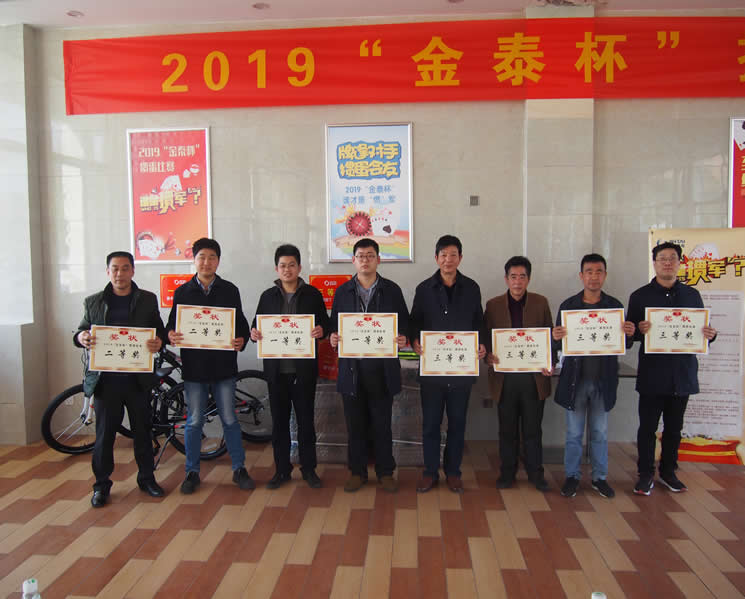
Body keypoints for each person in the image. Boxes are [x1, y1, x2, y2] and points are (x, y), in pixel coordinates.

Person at [74, 251, 167, 508]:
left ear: (133, 271)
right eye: (115, 268)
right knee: (104, 436)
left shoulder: (147, 299)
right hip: (106, 381)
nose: (120, 273)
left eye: (125, 268)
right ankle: (101, 486)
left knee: (143, 433)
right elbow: (81, 331)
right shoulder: (93, 302)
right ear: (108, 272)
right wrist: (81, 337)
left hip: (138, 380)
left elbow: (159, 331)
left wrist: (159, 341)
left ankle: (147, 479)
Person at [627, 242, 717, 496]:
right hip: (652, 373)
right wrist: (637, 331)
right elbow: (628, 336)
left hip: (682, 373)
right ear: (654, 263)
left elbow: (701, 332)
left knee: (674, 428)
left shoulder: (692, 295)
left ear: (680, 263)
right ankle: (645, 474)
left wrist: (711, 335)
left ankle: (668, 472)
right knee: (647, 427)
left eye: (672, 258)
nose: (667, 262)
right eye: (662, 258)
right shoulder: (640, 296)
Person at [166, 238, 254, 494]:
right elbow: (171, 325)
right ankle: (192, 472)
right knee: (194, 421)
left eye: (212, 257)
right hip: (195, 368)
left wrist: (241, 339)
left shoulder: (229, 290)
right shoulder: (183, 292)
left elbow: (241, 324)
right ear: (194, 260)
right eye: (201, 257)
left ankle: (239, 468)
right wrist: (170, 334)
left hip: (223, 367)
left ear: (218, 261)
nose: (206, 262)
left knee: (229, 418)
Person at [329, 238, 409, 493]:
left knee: (382, 424)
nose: (365, 260)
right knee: (355, 425)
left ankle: (385, 472)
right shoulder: (342, 292)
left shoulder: (392, 290)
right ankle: (357, 472)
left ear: (378, 259)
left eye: (370, 255)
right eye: (360, 256)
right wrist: (333, 338)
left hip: (382, 371)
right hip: (352, 370)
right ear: (353, 260)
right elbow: (334, 327)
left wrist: (403, 337)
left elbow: (405, 325)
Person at [552, 253, 635, 499]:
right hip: (575, 381)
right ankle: (572, 476)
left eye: (599, 271)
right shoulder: (568, 306)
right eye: (589, 271)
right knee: (574, 433)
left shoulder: (614, 306)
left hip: (603, 380)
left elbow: (625, 344)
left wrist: (629, 333)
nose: (594, 276)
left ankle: (600, 478)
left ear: (605, 275)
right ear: (581, 276)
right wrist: (555, 337)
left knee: (600, 432)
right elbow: (559, 345)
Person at [409, 235, 486, 493]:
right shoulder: (423, 289)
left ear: (460, 258)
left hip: (461, 370)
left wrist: (482, 344)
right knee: (431, 424)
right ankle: (430, 472)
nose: (448, 259)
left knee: (457, 423)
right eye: (443, 255)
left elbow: (479, 322)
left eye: (453, 255)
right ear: (436, 258)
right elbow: (414, 321)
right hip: (432, 371)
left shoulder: (472, 288)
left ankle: (453, 472)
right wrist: (415, 340)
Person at [250, 244, 330, 490]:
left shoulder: (313, 295)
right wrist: (254, 333)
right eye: (283, 265)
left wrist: (321, 330)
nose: (287, 270)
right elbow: (256, 326)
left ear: (299, 267)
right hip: (276, 372)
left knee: (306, 422)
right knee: (280, 423)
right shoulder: (267, 296)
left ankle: (309, 469)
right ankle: (282, 470)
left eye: (291, 265)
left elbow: (325, 325)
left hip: (303, 371)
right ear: (277, 268)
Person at [484, 256, 554, 492]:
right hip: (505, 380)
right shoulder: (493, 305)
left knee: (533, 430)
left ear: (529, 279)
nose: (517, 281)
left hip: (534, 379)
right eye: (513, 276)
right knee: (507, 430)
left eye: (522, 276)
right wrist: (488, 356)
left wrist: (550, 362)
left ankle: (536, 473)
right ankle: (507, 473)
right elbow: (485, 339)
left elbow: (550, 338)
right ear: (506, 279)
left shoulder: (540, 302)